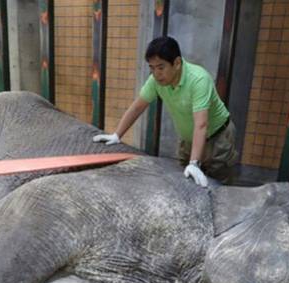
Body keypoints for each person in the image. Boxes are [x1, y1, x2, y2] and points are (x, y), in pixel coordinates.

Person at [93, 35, 238, 186]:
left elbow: (201, 125)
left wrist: (195, 163)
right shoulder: (156, 81)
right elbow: (137, 107)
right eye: (152, 68)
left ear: (177, 63)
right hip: (188, 139)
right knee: (186, 183)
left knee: (217, 187)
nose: (156, 74)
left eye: (161, 67)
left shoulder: (199, 80)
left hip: (218, 137)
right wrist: (117, 134)